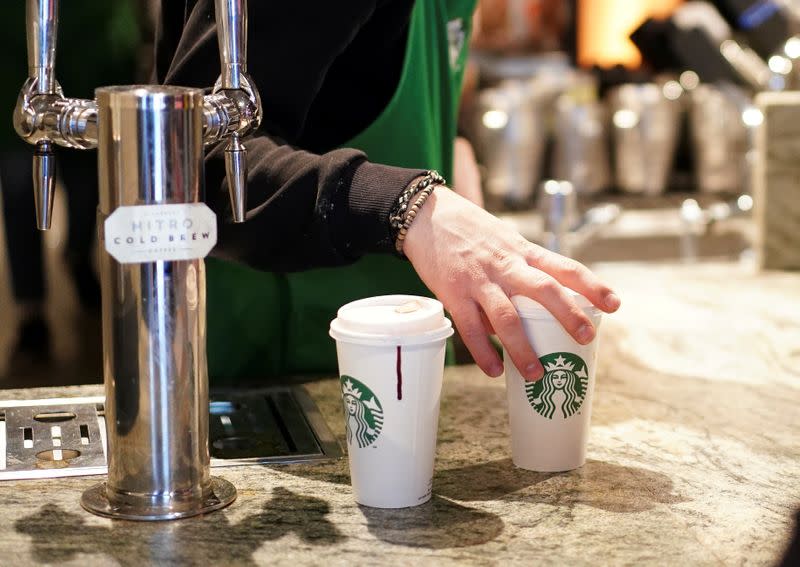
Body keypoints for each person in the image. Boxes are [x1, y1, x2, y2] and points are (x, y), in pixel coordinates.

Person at [155, 0, 621, 384]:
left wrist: (450, 153)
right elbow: (195, 160)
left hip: (403, 365)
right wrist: (408, 207)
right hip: (286, 380)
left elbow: (355, 84)